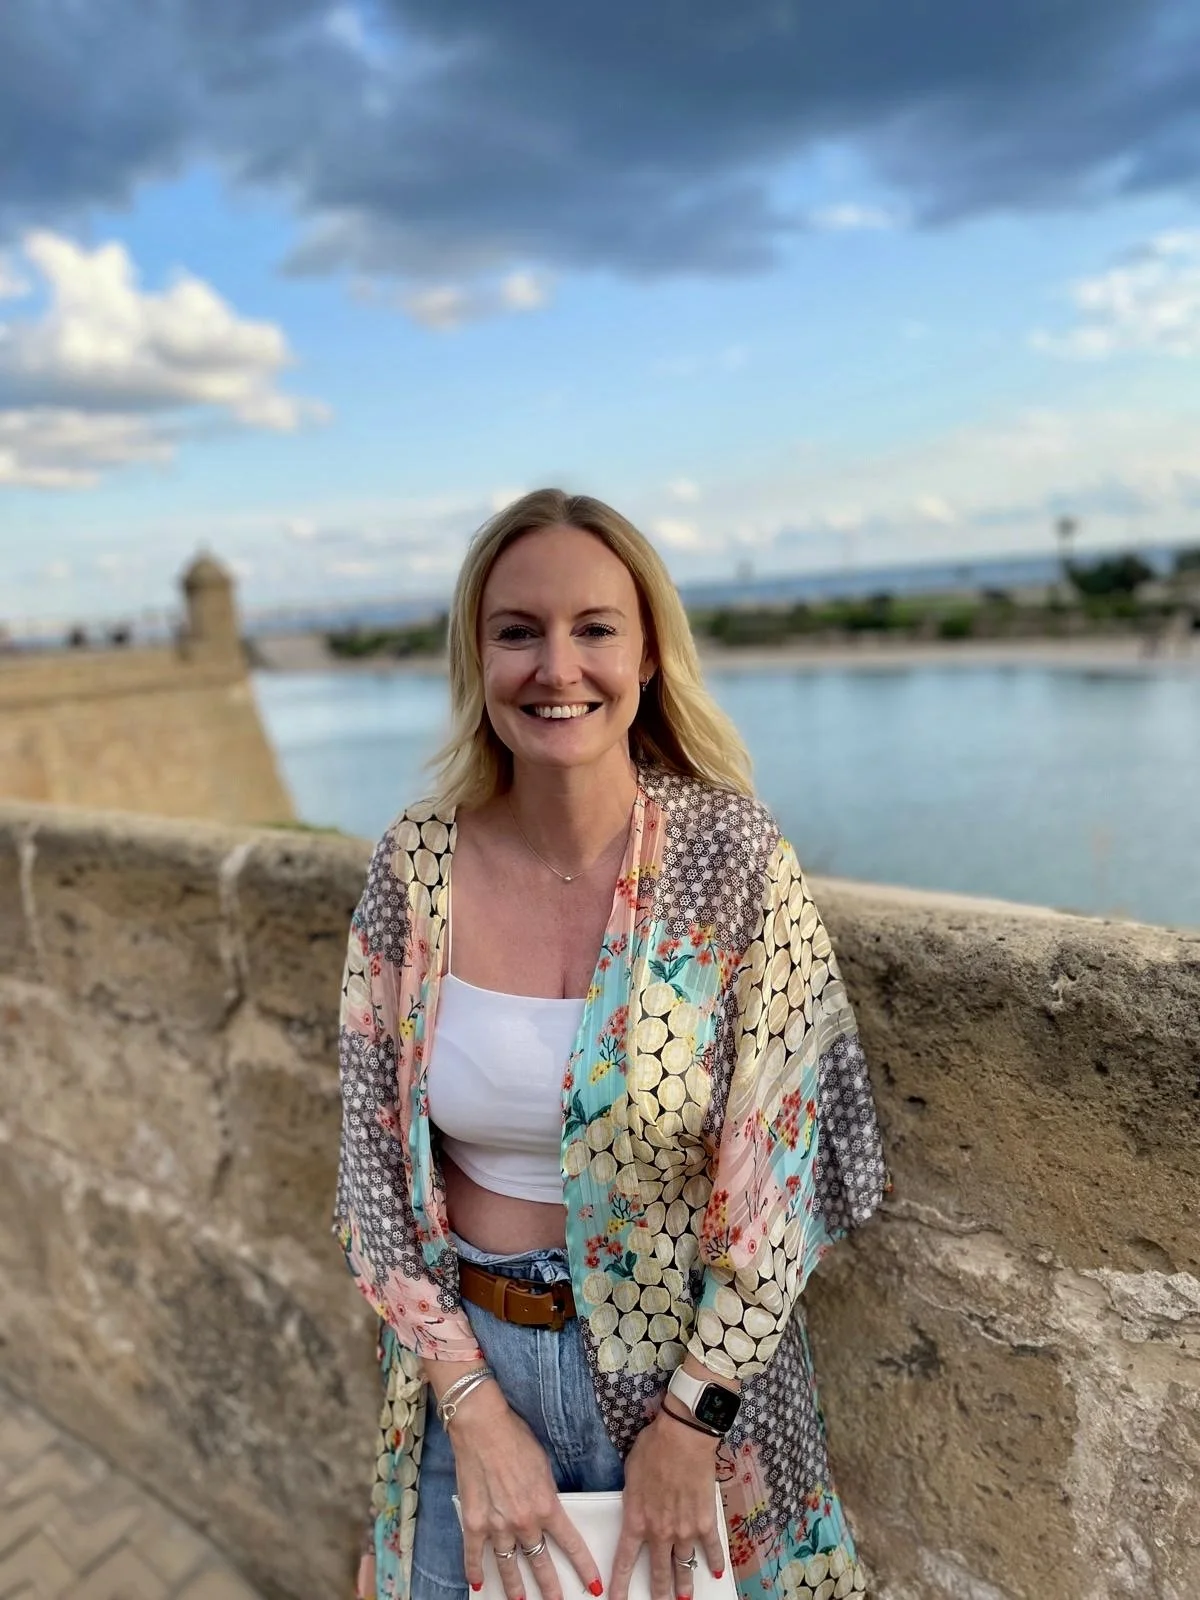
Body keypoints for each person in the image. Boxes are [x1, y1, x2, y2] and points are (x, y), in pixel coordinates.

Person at [334, 489, 886, 1600]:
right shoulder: (416, 866)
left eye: (594, 628)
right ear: (476, 658)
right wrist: (469, 1404)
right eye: (517, 631)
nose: (557, 667)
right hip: (466, 1376)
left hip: (689, 1393)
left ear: (646, 655)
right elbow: (370, 1163)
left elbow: (794, 1169)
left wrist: (692, 1418)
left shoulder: (729, 857)